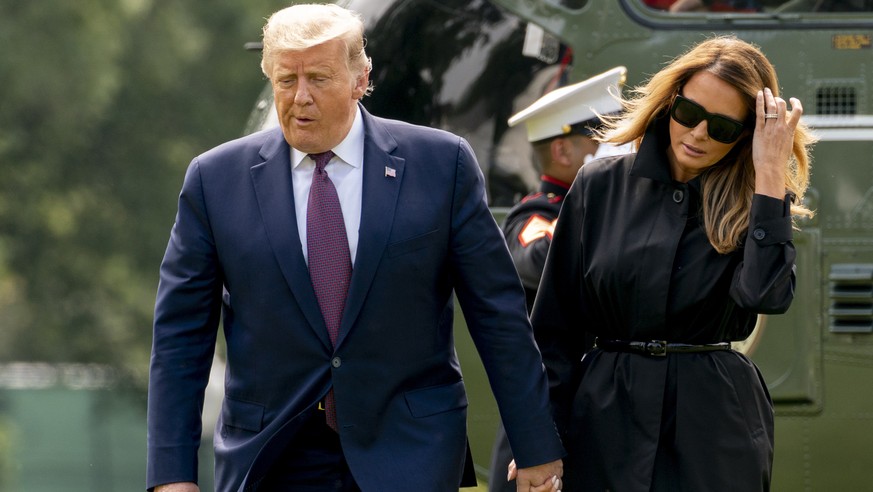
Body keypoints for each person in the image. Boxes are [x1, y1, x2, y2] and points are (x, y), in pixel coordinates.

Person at [146, 4, 564, 492]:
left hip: (412, 453)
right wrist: (171, 476)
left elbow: (499, 316)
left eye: (318, 78)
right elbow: (180, 339)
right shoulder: (214, 181)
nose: (299, 98)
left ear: (361, 78)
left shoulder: (441, 164)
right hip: (272, 457)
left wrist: (536, 446)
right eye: (286, 80)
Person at [530, 35, 814, 491]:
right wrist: (539, 444)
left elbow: (766, 294)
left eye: (722, 128)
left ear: (747, 135)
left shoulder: (757, 200)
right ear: (670, 103)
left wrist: (770, 177)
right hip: (605, 420)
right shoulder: (599, 186)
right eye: (690, 114)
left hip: (713, 428)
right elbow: (553, 333)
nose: (699, 134)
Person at [486, 66, 628, 492]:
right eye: (602, 143)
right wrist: (599, 196)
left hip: (599, 407)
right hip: (547, 416)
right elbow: (535, 260)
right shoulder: (539, 213)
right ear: (565, 151)